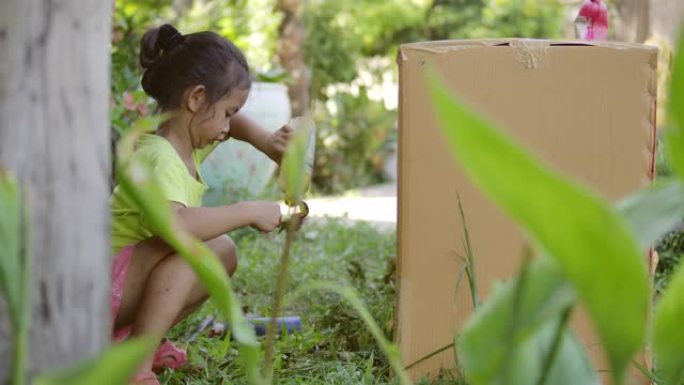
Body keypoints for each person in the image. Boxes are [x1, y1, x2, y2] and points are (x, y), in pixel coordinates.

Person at [110, 24, 294, 385]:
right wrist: (248, 210)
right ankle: (135, 364)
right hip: (99, 292)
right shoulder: (160, 157)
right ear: (196, 99)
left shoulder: (186, 139)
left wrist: (268, 142)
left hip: (118, 287)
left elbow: (236, 125)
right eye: (226, 112)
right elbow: (176, 225)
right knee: (207, 250)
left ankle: (131, 346)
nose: (227, 125)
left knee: (218, 253)